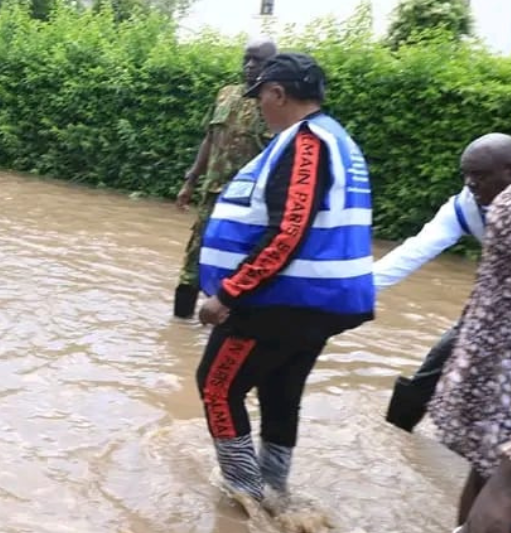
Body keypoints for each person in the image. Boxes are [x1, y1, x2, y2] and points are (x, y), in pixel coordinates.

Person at [195, 53, 374, 505]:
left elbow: (289, 231)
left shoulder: (307, 143)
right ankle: (275, 489)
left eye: (261, 99)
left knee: (216, 386)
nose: (258, 108)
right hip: (316, 301)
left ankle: (245, 496)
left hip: (280, 302)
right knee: (280, 389)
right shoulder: (336, 138)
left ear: (278, 93)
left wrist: (229, 293)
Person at [380, 133, 511, 433]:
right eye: (466, 175)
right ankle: (397, 437)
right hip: (493, 305)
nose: (470, 184)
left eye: (480, 175)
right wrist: (354, 294)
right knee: (439, 360)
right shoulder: (466, 208)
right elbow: (414, 251)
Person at [173, 37, 276, 319]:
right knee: (192, 265)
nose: (251, 66)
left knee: (239, 269)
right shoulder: (226, 94)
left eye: (259, 61)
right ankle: (179, 329)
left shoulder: (274, 107)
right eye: (247, 59)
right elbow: (209, 138)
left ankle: (227, 331)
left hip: (250, 209)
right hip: (212, 198)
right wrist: (190, 181)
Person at [429, 184, 511, 532]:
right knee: (495, 478)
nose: (473, 186)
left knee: (492, 476)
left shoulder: (504, 202)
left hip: (490, 360)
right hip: (494, 363)